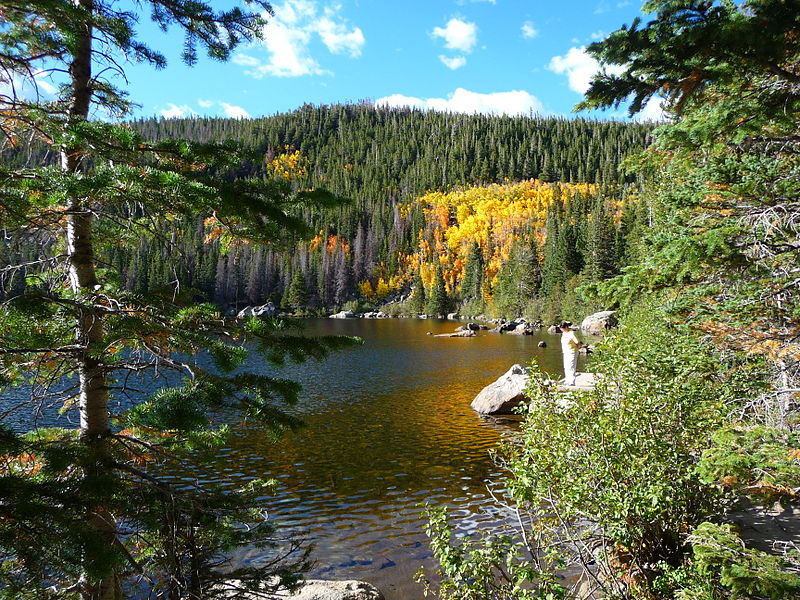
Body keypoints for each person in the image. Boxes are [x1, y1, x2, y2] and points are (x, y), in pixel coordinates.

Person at [559, 320, 582, 386]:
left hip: (572, 352)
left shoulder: (571, 333)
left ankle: (571, 382)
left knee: (571, 367)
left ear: (566, 327)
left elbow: (577, 342)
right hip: (566, 352)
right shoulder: (564, 333)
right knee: (566, 367)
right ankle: (567, 380)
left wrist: (577, 348)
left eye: (563, 328)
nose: (562, 330)